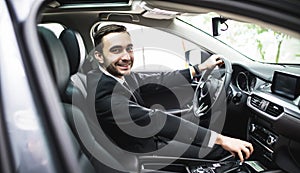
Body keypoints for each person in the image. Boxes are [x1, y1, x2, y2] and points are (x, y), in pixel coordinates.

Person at [88, 24, 253, 162]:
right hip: (143, 152)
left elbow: (158, 79)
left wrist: (199, 68)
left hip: (146, 138)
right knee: (219, 152)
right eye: (116, 50)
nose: (126, 57)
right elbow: (157, 120)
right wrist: (221, 139)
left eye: (129, 49)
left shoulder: (115, 76)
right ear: (99, 56)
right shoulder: (104, 93)